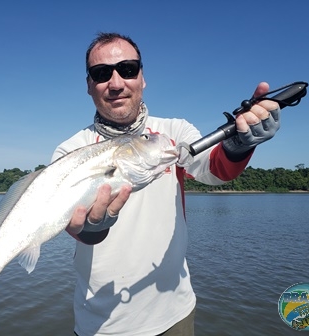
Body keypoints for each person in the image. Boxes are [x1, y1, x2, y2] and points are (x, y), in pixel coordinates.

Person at [51, 32, 280, 336]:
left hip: (175, 314)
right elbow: (69, 224)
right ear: (89, 85)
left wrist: (237, 145)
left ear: (142, 78)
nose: (116, 83)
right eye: (101, 73)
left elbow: (214, 169)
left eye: (128, 69)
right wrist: (93, 228)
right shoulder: (70, 152)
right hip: (100, 325)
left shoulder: (172, 132)